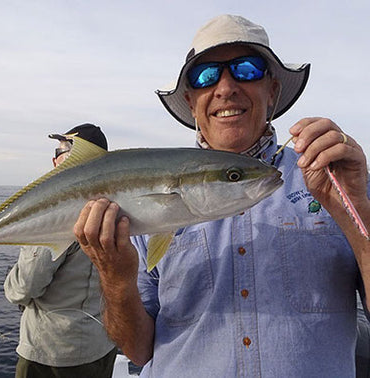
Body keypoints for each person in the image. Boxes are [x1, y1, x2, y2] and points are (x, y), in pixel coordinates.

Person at [73, 15, 370, 377]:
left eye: (246, 69)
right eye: (206, 76)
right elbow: (137, 349)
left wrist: (358, 215)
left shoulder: (337, 178)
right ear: (191, 99)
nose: (225, 87)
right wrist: (116, 280)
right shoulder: (138, 206)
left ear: (272, 90)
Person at [4, 123, 117, 378]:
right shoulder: (118, 208)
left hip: (54, 353)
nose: (55, 161)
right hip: (102, 343)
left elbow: (27, 286)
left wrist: (9, 288)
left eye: (62, 154)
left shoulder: (58, 213)